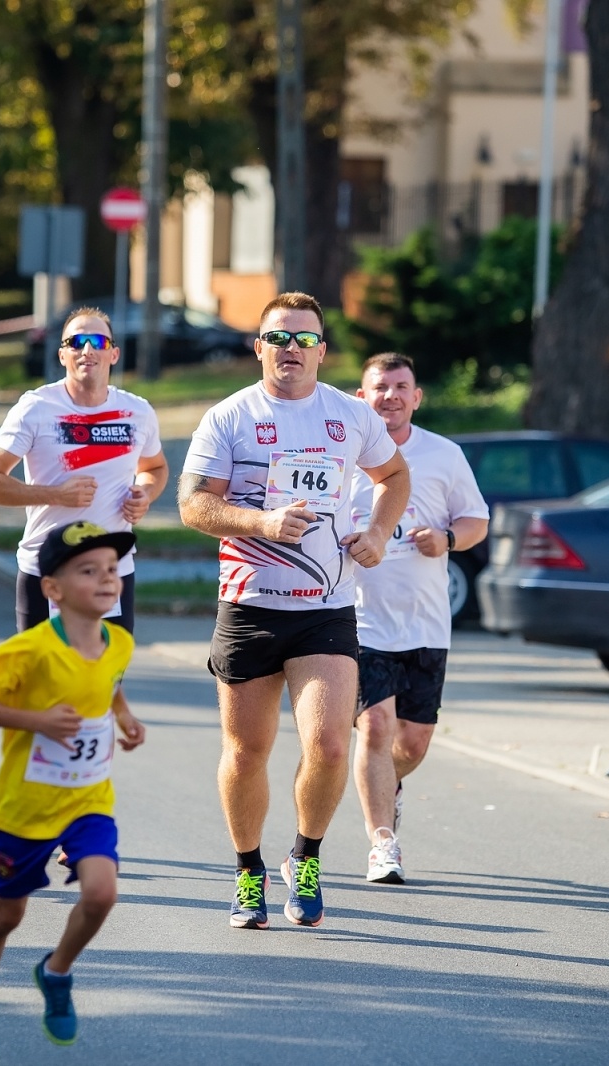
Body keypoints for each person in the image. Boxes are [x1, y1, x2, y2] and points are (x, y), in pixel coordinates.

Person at [179, 291, 410, 929]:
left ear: (322, 351)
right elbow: (194, 506)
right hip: (249, 603)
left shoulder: (349, 415)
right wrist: (260, 521)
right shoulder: (230, 418)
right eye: (279, 338)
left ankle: (305, 857)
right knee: (248, 750)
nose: (292, 350)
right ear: (259, 348)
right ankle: (247, 870)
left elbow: (394, 478)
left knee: (331, 745)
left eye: (305, 339)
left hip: (325, 606)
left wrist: (378, 533)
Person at [0, 521, 147, 1062]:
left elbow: (109, 683)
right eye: (89, 571)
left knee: (101, 892)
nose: (107, 579)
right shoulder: (29, 650)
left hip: (88, 799)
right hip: (27, 806)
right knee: (7, 917)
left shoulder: (120, 641)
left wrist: (126, 717)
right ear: (52, 589)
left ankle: (56, 970)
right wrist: (34, 719)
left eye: (111, 569)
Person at [348, 353, 489, 884]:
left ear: (416, 396)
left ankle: (385, 784)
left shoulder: (443, 454)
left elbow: (476, 520)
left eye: (400, 387)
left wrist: (449, 539)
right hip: (362, 621)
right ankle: (382, 843)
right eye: (380, 387)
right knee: (377, 727)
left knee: (412, 744)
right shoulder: (344, 456)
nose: (390, 396)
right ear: (361, 397)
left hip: (426, 624)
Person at [0, 307, 167, 634]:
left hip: (111, 573)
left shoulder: (138, 412)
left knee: (105, 681)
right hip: (48, 570)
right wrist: (54, 494)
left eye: (97, 341)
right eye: (76, 342)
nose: (87, 350)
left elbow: (156, 467)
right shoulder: (35, 408)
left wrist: (145, 493)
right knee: (47, 682)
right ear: (62, 355)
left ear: (114, 353)